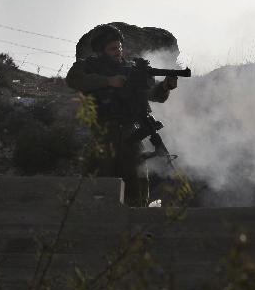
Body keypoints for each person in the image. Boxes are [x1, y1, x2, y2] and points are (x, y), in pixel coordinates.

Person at [65, 24, 178, 206]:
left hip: (130, 135)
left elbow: (153, 94)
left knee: (137, 185)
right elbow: (73, 80)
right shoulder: (88, 66)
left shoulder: (132, 69)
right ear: (101, 51)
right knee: (100, 185)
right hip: (103, 134)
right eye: (112, 48)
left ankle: (135, 224)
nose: (118, 51)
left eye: (119, 47)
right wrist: (108, 81)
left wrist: (165, 87)